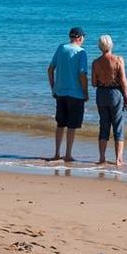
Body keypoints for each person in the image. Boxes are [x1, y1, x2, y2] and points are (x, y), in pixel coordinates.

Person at [47, 26, 89, 162]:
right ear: (80, 38)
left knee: (60, 124)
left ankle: (56, 153)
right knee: (71, 126)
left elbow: (50, 69)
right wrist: (85, 92)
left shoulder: (61, 48)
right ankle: (68, 154)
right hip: (76, 94)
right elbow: (82, 74)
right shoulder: (81, 52)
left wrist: (53, 87)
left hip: (60, 93)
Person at [91, 34, 127, 165]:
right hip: (115, 93)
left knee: (103, 125)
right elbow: (123, 80)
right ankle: (118, 159)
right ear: (111, 45)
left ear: (99, 47)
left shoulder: (95, 63)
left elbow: (93, 83)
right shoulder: (118, 60)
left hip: (101, 93)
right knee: (118, 126)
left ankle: (102, 157)